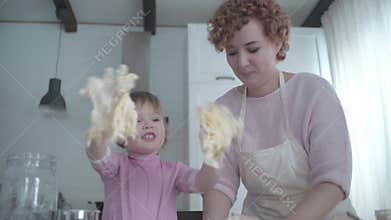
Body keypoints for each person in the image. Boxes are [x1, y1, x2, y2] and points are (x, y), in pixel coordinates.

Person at [202, 0, 359, 220]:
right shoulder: (222, 110)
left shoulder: (314, 92)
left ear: (277, 42)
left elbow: (332, 181)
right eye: (232, 52)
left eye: (253, 49)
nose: (242, 62)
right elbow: (220, 184)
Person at [86, 91, 220, 220]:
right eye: (137, 121)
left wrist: (214, 156)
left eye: (155, 119)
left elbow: (204, 183)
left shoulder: (175, 171)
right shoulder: (116, 167)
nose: (148, 125)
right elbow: (96, 152)